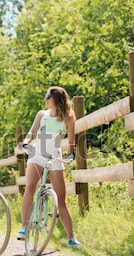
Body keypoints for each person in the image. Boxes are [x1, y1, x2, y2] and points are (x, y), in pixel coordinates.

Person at [16, 86, 82, 247]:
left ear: (56, 99)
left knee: (61, 199)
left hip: (55, 157)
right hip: (38, 154)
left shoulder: (68, 117)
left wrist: (69, 154)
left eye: (48, 96)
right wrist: (25, 143)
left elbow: (71, 139)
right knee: (30, 187)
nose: (45, 99)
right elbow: (32, 132)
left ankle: (71, 238)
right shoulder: (41, 114)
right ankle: (24, 226)